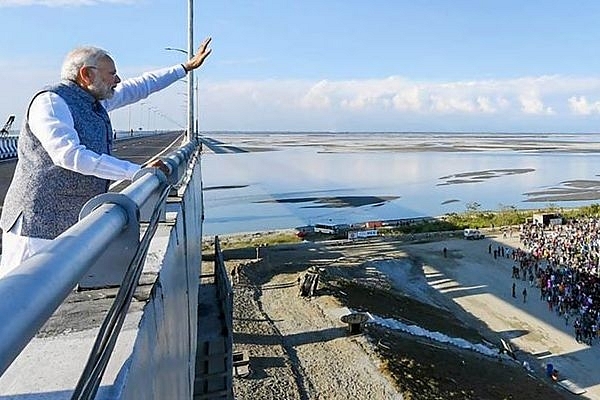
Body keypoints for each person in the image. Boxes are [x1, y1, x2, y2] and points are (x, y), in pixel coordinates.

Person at [0, 37, 212, 278]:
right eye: (112, 74)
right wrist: (134, 172)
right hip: (35, 225)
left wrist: (185, 67)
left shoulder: (93, 102)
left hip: (70, 222)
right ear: (87, 74)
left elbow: (141, 86)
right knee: (19, 298)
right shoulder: (51, 102)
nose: (117, 80)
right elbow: (69, 156)